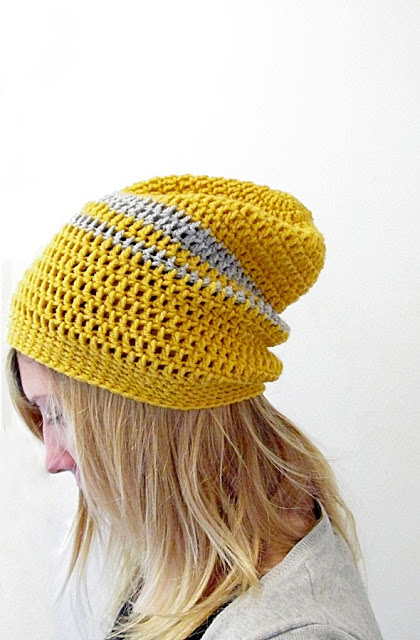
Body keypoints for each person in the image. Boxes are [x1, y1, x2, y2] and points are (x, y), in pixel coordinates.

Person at [6, 174, 383, 639]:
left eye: (60, 414)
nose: (52, 458)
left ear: (154, 412)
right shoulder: (193, 545)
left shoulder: (299, 632)